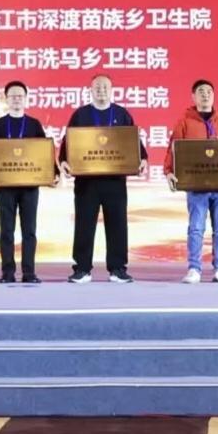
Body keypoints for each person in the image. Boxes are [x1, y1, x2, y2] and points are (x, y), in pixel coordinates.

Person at [61, 72, 141, 284]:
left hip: (115, 181)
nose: (101, 90)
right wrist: (64, 161)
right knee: (84, 225)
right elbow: (68, 142)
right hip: (86, 182)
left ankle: (118, 269)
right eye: (97, 87)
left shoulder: (122, 114)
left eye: (105, 87)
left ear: (111, 90)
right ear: (91, 90)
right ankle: (82, 269)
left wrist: (142, 159)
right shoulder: (81, 115)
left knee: (117, 224)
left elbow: (133, 142)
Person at [166, 79, 218, 284]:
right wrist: (169, 171)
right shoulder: (184, 123)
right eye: (201, 92)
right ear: (193, 96)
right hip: (196, 186)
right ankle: (194, 269)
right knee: (196, 228)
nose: (205, 95)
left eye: (209, 91)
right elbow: (173, 150)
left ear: (214, 95)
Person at [0, 80, 54, 284]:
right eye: (12, 96)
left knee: (29, 231)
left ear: (26, 99)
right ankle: (7, 273)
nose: (16, 100)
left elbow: (44, 152)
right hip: (6, 186)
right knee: (7, 230)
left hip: (30, 187)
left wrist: (53, 172)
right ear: (6, 99)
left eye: (20, 96)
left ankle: (29, 273)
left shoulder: (34, 124)